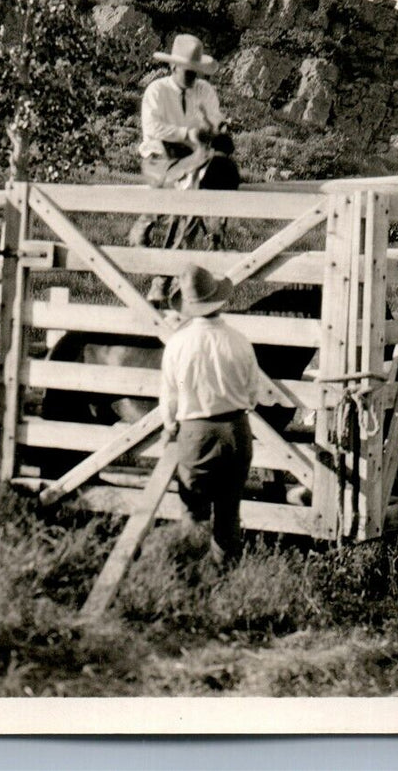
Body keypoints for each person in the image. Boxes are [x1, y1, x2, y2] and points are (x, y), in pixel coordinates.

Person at [159, 265, 259, 565]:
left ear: (189, 305)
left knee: (193, 509)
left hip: (196, 431)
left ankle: (191, 576)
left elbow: (170, 396)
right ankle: (225, 575)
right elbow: (252, 394)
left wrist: (169, 425)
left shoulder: (178, 343)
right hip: (236, 430)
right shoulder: (240, 340)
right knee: (229, 512)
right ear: (218, 300)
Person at [129, 36, 232, 305]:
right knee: (188, 191)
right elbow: (153, 129)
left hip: (192, 160)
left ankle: (164, 275)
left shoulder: (204, 91)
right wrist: (189, 133)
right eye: (187, 72)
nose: (192, 77)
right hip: (159, 158)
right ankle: (153, 230)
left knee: (195, 190)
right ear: (174, 68)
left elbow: (215, 120)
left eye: (195, 72)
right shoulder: (157, 91)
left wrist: (217, 128)